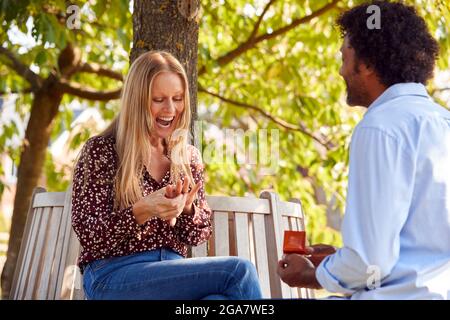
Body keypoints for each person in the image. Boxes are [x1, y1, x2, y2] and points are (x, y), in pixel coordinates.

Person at [277, 1, 450, 299]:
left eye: (345, 57)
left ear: (368, 64)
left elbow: (370, 262)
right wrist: (336, 260)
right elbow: (410, 248)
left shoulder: (380, 127)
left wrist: (310, 274)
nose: (341, 70)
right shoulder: (442, 120)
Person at [71, 51, 262, 300]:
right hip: (113, 276)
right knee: (239, 272)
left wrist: (187, 210)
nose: (171, 109)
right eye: (159, 99)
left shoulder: (187, 156)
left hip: (173, 274)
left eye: (178, 98)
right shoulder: (102, 150)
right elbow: (89, 234)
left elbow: (199, 235)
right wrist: (143, 209)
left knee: (218, 301)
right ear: (137, 101)